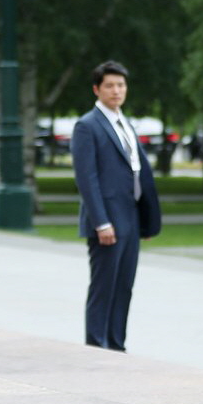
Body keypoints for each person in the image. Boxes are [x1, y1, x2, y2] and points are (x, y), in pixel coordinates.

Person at [71, 60, 162, 351]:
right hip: (107, 221)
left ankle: (116, 345)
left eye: (121, 85)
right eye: (109, 85)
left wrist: (146, 219)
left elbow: (139, 171)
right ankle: (97, 347)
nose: (116, 91)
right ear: (96, 89)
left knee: (123, 287)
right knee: (103, 288)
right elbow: (87, 178)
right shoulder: (87, 126)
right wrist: (101, 222)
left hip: (131, 217)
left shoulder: (125, 123)